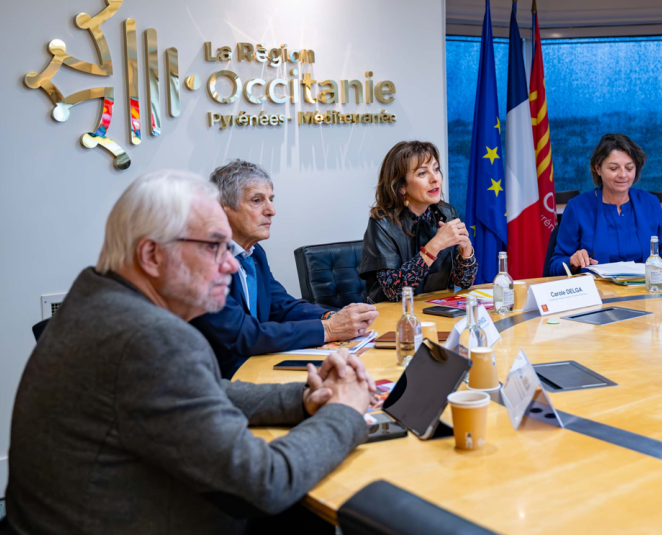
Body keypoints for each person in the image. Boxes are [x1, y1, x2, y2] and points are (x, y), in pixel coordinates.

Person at [4, 170, 374, 535]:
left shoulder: (99, 298)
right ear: (151, 255)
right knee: (310, 507)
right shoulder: (148, 337)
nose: (231, 264)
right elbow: (266, 482)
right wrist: (343, 411)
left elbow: (204, 389)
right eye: (214, 246)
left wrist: (306, 399)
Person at [192, 160, 378, 378]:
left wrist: (331, 316)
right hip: (219, 381)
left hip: (257, 367)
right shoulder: (202, 262)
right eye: (256, 200)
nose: (271, 211)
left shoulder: (255, 253)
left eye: (270, 200)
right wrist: (328, 329)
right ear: (222, 209)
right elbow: (243, 334)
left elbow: (281, 305)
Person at [549, 134, 662, 276]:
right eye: (614, 168)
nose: (623, 175)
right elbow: (555, 265)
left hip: (644, 292)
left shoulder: (651, 203)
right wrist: (572, 262)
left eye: (629, 168)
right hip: (598, 294)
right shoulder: (577, 208)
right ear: (598, 169)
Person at [360, 141, 478, 303]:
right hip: (392, 317)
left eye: (436, 169)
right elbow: (395, 291)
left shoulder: (446, 212)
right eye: (422, 173)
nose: (435, 178)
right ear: (401, 186)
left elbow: (463, 283)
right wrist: (435, 245)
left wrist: (466, 251)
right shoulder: (382, 223)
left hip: (437, 309)